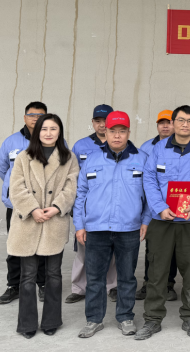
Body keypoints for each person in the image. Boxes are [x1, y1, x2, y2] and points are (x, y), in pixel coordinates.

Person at [135, 105, 190, 340]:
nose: (185, 124)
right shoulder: (159, 148)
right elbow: (149, 178)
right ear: (172, 123)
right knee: (157, 272)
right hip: (162, 220)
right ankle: (152, 320)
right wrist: (159, 207)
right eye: (180, 120)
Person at [74, 111, 151, 338]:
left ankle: (125, 317)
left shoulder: (142, 159)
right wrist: (79, 225)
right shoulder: (92, 159)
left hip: (129, 228)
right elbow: (80, 195)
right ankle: (94, 320)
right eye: (112, 131)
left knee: (127, 277)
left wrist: (145, 221)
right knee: (94, 277)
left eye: (122, 131)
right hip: (96, 228)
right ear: (105, 132)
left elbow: (150, 195)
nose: (117, 136)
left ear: (129, 132)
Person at [7, 114, 79, 338]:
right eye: (44, 129)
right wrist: (33, 209)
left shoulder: (69, 158)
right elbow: (16, 188)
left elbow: (71, 187)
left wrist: (57, 207)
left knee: (53, 275)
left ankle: (51, 320)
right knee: (28, 276)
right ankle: (27, 324)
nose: (48, 133)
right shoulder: (24, 157)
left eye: (53, 129)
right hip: (28, 222)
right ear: (37, 132)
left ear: (60, 132)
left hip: (54, 222)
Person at [0, 101, 47, 305]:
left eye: (40, 115)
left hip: (43, 205)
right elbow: (2, 169)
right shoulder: (11, 142)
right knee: (15, 246)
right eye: (32, 115)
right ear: (25, 118)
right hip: (17, 206)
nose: (36, 118)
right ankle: (13, 286)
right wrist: (15, 191)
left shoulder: (55, 141)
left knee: (43, 246)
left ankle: (43, 284)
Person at [68, 104, 117, 304]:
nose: (102, 125)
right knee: (84, 247)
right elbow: (71, 177)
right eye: (98, 121)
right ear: (93, 122)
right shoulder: (81, 146)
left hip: (113, 205)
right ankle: (79, 288)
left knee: (112, 249)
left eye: (106, 121)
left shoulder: (119, 144)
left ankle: (112, 286)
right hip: (88, 207)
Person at [136, 110, 178, 302]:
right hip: (152, 206)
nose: (165, 126)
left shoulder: (182, 147)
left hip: (176, 203)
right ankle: (148, 283)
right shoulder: (147, 147)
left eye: (169, 122)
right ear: (157, 125)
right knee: (152, 248)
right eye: (162, 122)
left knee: (173, 248)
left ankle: (168, 284)